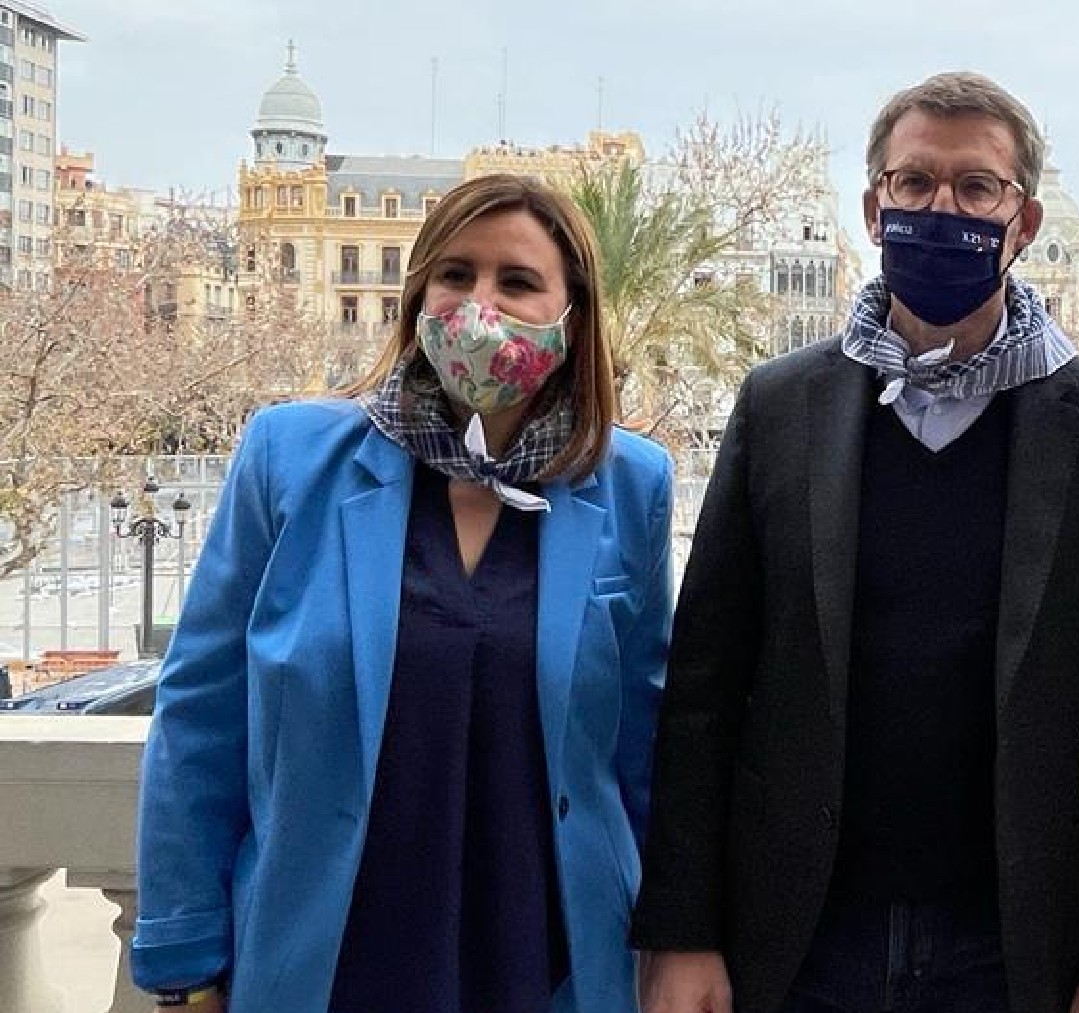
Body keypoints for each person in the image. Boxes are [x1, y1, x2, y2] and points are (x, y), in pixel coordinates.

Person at [629, 71, 1079, 1013]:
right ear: (872, 206)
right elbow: (704, 687)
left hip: (1014, 946)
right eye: (915, 183)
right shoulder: (782, 406)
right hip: (801, 932)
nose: (944, 208)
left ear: (1027, 221)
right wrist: (683, 928)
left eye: (978, 188)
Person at [131, 173, 673, 1013]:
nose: (478, 305)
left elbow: (644, 740)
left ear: (574, 315)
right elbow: (201, 711)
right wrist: (183, 952)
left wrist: (672, 941)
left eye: (518, 281)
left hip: (548, 962)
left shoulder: (629, 485)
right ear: (418, 293)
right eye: (455, 274)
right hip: (331, 961)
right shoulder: (290, 458)